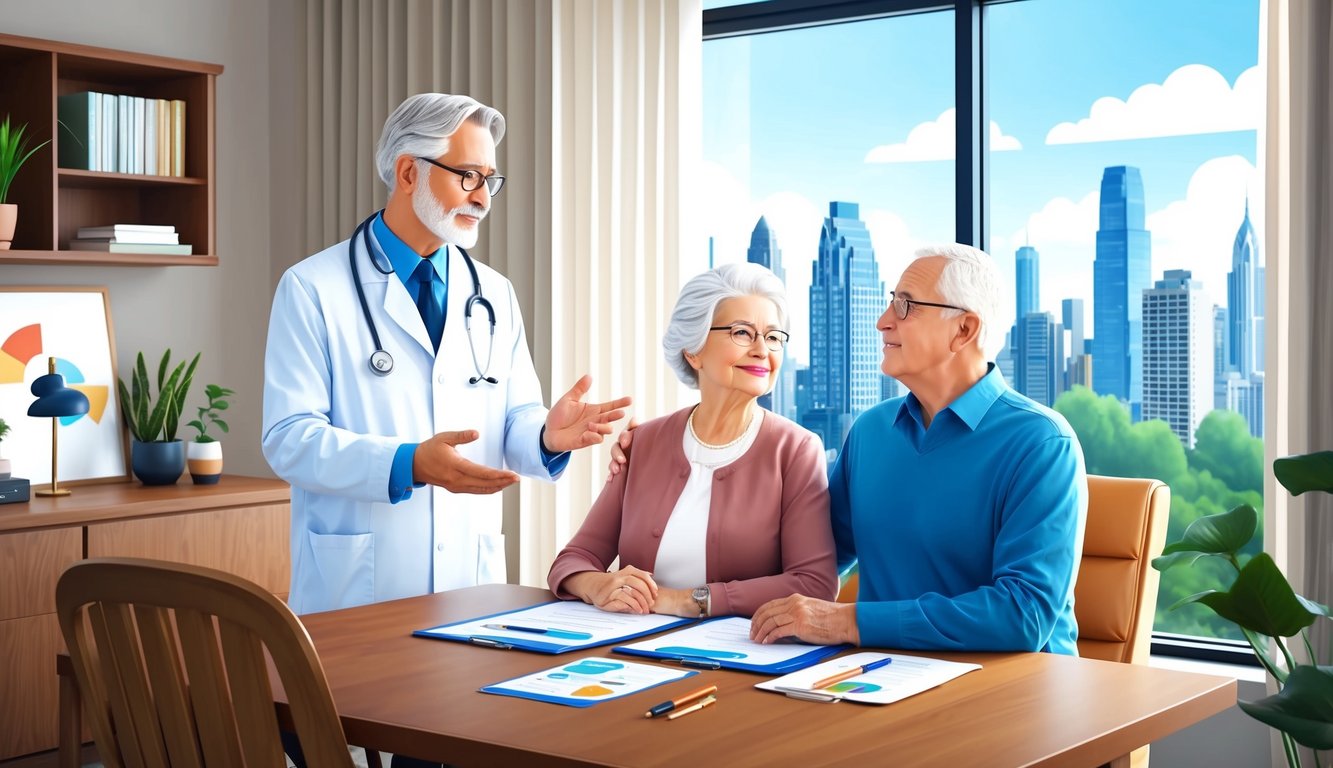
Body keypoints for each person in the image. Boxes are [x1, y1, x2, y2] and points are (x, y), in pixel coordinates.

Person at [263, 93, 631, 617]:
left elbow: (513, 420)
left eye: (490, 180)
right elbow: (289, 439)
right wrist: (408, 463)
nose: (482, 197)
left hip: (469, 587)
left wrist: (547, 435)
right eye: (468, 176)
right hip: (357, 590)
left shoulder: (494, 293)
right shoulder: (312, 288)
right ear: (409, 172)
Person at [747, 243, 1087, 654]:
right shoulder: (871, 431)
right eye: (892, 302)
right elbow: (809, 559)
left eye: (906, 306)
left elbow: (1023, 615)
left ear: (964, 330)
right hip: (880, 675)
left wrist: (849, 621)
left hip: (1014, 690)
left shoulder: (1042, 444)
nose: (883, 322)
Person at [548, 263, 837, 618]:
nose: (763, 350)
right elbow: (573, 560)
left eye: (774, 337)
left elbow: (814, 583)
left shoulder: (795, 450)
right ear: (693, 350)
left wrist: (689, 600)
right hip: (629, 650)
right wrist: (597, 585)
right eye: (742, 333)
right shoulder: (644, 442)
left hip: (737, 660)